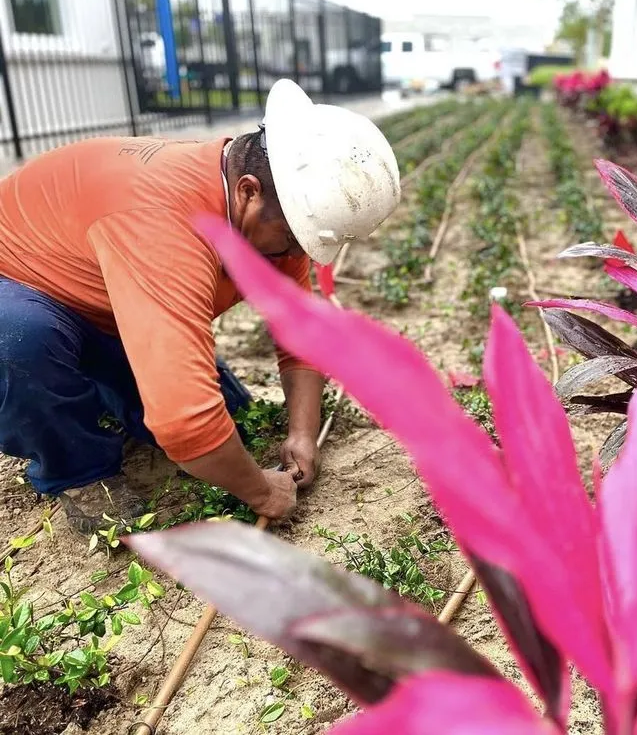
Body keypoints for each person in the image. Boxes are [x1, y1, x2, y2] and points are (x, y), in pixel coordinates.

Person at [0, 79, 400, 533]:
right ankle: (76, 472)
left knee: (227, 430)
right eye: (291, 239)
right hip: (18, 283)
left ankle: (101, 384)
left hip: (111, 299)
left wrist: (302, 434)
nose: (294, 254)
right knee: (19, 340)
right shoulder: (164, 225)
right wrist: (262, 491)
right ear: (249, 192)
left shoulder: (268, 214)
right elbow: (186, 425)